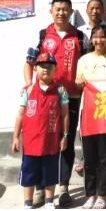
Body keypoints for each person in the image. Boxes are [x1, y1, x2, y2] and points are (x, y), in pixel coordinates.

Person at [24, 0, 84, 208]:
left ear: (71, 12)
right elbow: (29, 62)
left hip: (71, 97)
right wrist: (29, 85)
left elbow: (86, 62)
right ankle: (41, 188)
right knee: (43, 141)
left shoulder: (80, 36)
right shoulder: (42, 35)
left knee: (66, 141)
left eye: (65, 9)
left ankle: (64, 187)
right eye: (57, 9)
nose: (61, 12)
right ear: (51, 11)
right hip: (45, 97)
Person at [75, 24, 106, 209]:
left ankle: (102, 194)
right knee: (89, 157)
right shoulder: (83, 59)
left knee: (104, 156)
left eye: (102, 36)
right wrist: (80, 82)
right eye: (95, 37)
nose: (99, 40)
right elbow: (78, 80)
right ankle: (90, 194)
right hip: (88, 111)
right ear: (91, 40)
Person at [13, 53, 69, 211]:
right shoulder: (28, 90)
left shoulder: (60, 90)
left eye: (49, 66)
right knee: (29, 174)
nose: (46, 69)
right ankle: (28, 203)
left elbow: (65, 115)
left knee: (50, 173)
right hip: (30, 142)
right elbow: (20, 115)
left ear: (55, 69)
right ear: (35, 69)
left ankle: (50, 202)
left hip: (51, 142)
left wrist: (65, 136)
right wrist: (15, 137)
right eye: (42, 66)